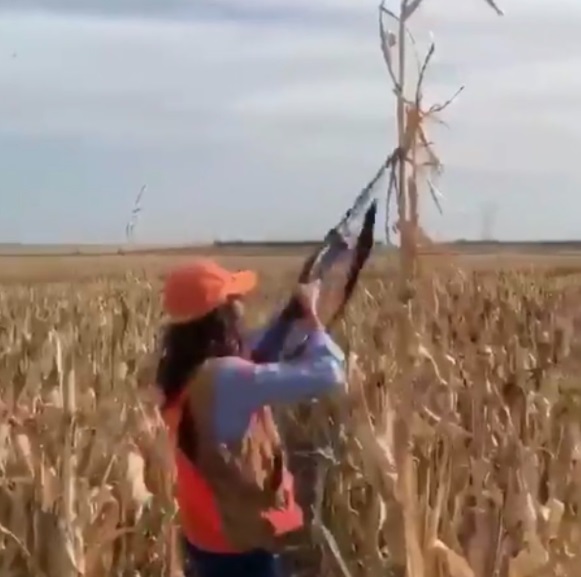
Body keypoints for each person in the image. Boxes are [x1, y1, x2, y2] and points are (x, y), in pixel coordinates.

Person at [155, 258, 346, 577]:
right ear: (220, 315)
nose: (241, 305)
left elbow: (256, 347)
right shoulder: (228, 377)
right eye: (234, 299)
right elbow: (331, 374)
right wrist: (313, 319)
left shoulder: (177, 372)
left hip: (204, 534)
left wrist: (290, 315)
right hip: (242, 543)